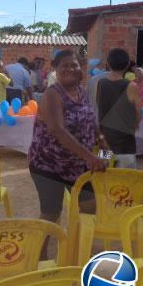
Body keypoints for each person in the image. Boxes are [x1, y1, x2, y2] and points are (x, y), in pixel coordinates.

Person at [28, 49, 107, 259]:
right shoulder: (52, 94)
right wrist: (89, 157)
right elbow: (56, 129)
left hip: (77, 165)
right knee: (51, 212)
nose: (70, 69)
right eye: (64, 65)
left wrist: (101, 140)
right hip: (48, 164)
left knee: (90, 205)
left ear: (81, 68)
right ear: (55, 69)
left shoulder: (81, 92)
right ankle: (40, 256)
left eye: (74, 65)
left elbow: (90, 119)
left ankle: (78, 246)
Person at [97, 49, 143, 168]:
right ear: (127, 64)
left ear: (108, 63)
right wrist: (135, 124)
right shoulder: (131, 86)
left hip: (105, 143)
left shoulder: (101, 83)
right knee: (125, 183)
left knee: (104, 180)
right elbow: (139, 114)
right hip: (125, 145)